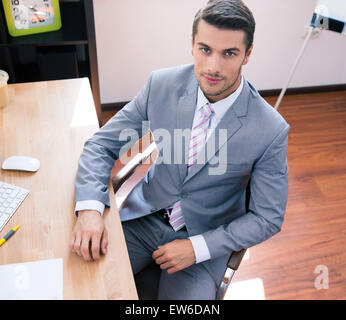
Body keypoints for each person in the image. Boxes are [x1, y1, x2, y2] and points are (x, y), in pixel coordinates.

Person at [70, 0, 290, 300]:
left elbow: (267, 218)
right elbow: (100, 145)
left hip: (203, 241)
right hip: (143, 219)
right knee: (79, 287)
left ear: (247, 55)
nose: (213, 66)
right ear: (192, 44)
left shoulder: (271, 130)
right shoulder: (161, 84)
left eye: (229, 54)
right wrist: (90, 210)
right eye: (205, 49)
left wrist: (197, 248)